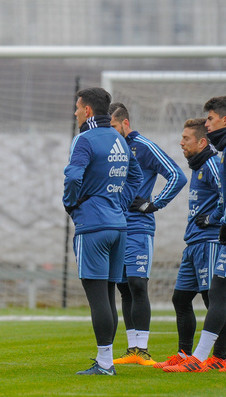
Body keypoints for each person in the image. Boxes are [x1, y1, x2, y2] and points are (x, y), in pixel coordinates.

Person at [63, 87, 143, 376]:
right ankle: (106, 362)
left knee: (98, 296)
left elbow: (73, 176)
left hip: (93, 226)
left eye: (77, 107)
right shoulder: (119, 139)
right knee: (108, 293)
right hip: (119, 226)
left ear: (87, 111)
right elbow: (136, 176)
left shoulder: (84, 139)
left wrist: (71, 204)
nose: (75, 113)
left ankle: (105, 364)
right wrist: (119, 202)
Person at [107, 103, 186, 366]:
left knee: (138, 284)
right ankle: (132, 349)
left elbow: (176, 175)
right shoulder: (110, 149)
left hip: (139, 227)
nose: (113, 133)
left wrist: (154, 204)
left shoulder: (144, 146)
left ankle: (143, 349)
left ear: (125, 124)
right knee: (124, 287)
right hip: (116, 225)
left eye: (115, 128)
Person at [153, 118, 226, 371]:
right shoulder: (197, 166)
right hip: (193, 243)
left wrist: (213, 219)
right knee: (180, 299)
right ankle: (184, 354)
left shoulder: (214, 164)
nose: (181, 142)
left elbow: (224, 195)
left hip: (209, 241)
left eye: (186, 138)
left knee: (213, 300)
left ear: (202, 142)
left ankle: (219, 358)